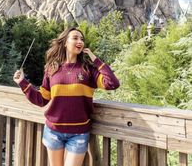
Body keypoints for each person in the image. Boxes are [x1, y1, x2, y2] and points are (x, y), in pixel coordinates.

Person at [13, 27, 120, 166]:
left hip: (79, 133)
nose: (80, 41)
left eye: (82, 39)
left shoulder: (88, 70)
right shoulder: (52, 69)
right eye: (75, 38)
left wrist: (96, 60)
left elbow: (112, 83)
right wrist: (22, 82)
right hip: (53, 131)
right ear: (65, 42)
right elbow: (41, 99)